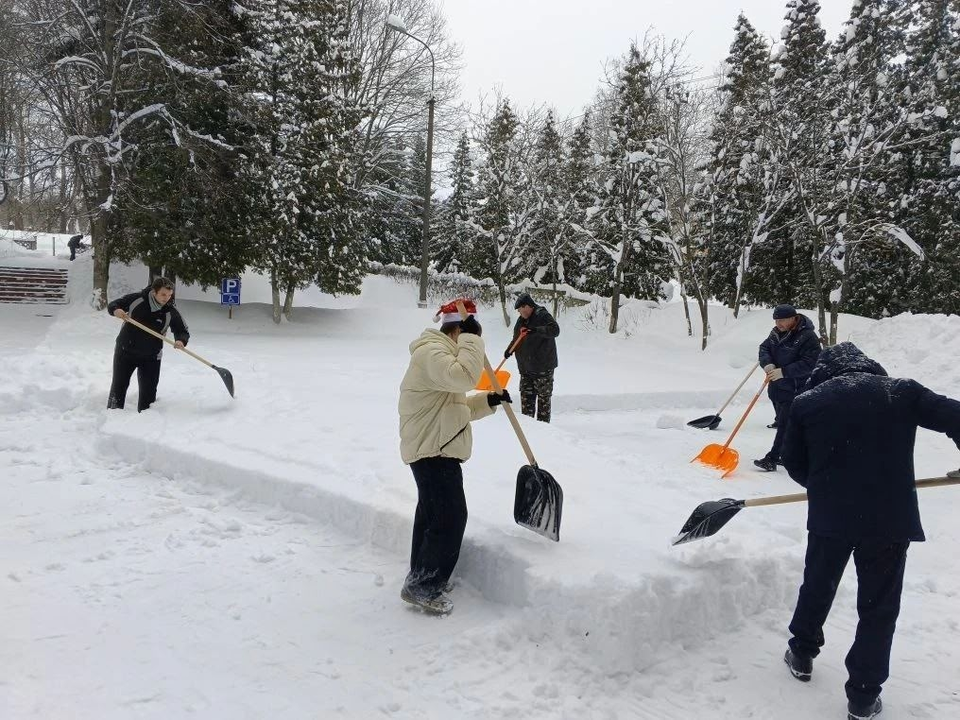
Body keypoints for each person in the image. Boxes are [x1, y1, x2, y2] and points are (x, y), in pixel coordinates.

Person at [780, 343, 960, 720]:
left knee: (818, 584)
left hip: (831, 518)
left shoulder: (808, 402)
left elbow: (794, 462)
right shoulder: (900, 391)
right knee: (879, 607)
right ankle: (863, 696)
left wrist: (826, 484)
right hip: (888, 520)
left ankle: (802, 651)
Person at [398, 299, 510, 615]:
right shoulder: (431, 353)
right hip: (434, 449)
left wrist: (490, 400)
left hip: (435, 445)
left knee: (434, 514)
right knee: (449, 516)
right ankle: (423, 585)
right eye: (468, 335)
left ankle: (422, 575)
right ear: (459, 329)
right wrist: (473, 339)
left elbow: (453, 407)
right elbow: (464, 378)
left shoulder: (439, 358)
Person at [106, 277, 189, 412]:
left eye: (169, 295)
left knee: (149, 393)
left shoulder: (170, 311)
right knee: (119, 386)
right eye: (163, 294)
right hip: (125, 351)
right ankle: (112, 415)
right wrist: (116, 310)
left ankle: (146, 422)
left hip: (151, 356)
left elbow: (182, 330)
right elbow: (115, 304)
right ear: (154, 292)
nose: (166, 298)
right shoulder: (137, 299)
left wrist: (181, 340)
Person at [753, 304, 821, 472]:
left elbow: (811, 363)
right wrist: (767, 364)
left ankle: (772, 458)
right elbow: (764, 348)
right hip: (776, 386)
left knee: (785, 424)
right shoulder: (775, 332)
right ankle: (792, 452)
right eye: (776, 320)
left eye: (782, 320)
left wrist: (784, 372)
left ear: (793, 318)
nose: (778, 323)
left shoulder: (807, 336)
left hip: (796, 387)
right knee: (788, 423)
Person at [504, 293, 560, 423]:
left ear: (527, 306)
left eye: (520, 309)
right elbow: (517, 338)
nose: (519, 312)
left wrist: (535, 330)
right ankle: (529, 431)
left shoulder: (542, 315)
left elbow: (555, 330)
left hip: (542, 368)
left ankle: (544, 431)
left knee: (543, 401)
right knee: (526, 402)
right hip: (526, 369)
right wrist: (509, 350)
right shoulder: (521, 320)